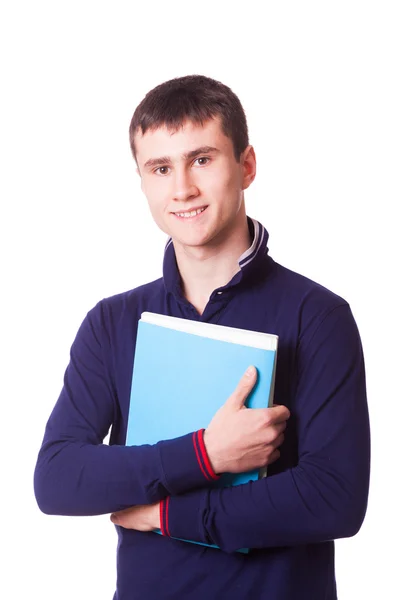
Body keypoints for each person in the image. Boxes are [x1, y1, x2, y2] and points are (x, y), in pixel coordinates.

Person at [34, 74, 370, 599]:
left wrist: (167, 514)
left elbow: (334, 498)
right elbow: (57, 478)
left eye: (203, 159)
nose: (182, 188)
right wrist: (206, 455)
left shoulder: (319, 316)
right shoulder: (112, 322)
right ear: (143, 181)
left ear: (247, 165)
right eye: (161, 168)